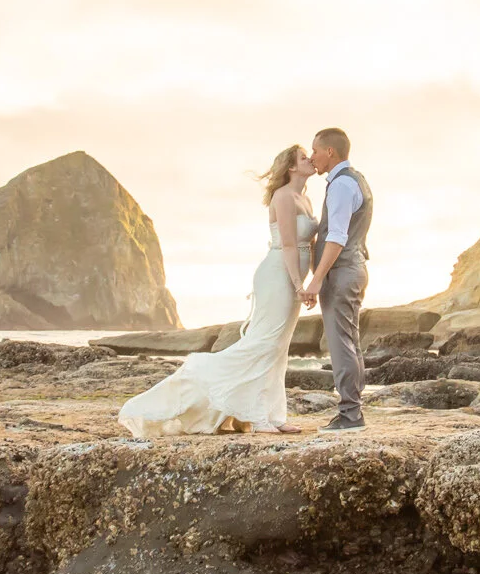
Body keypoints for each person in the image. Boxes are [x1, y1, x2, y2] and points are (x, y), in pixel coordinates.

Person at [118, 145, 318, 437]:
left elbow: (306, 247)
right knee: (264, 342)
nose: (310, 160)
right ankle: (255, 414)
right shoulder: (284, 196)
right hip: (278, 276)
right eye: (303, 158)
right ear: (291, 167)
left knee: (279, 346)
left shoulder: (306, 199)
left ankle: (274, 415)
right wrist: (300, 285)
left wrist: (309, 283)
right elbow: (288, 245)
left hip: (294, 277)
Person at [300, 127, 370, 432]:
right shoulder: (357, 180)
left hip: (342, 272)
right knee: (350, 341)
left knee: (341, 344)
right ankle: (352, 411)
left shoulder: (341, 185)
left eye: (315, 150)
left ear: (330, 151)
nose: (312, 156)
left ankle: (350, 415)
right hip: (352, 269)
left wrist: (316, 280)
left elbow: (337, 237)